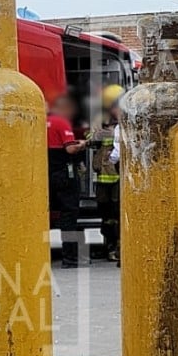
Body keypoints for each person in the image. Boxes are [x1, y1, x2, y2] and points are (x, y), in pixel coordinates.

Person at [47, 95, 88, 268]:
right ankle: (70, 258)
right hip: (63, 173)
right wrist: (83, 144)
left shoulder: (36, 122)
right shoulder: (60, 122)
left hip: (45, 173)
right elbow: (70, 149)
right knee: (69, 214)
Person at [91, 85, 123, 263]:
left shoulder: (123, 123)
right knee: (106, 215)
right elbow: (93, 137)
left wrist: (103, 133)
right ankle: (108, 246)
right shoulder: (100, 120)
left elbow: (113, 142)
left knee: (117, 214)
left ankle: (117, 248)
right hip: (103, 177)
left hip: (118, 178)